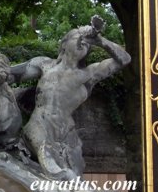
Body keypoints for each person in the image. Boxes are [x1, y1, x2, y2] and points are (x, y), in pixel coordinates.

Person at [10, 16, 131, 180]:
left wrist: (100, 40)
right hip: (39, 126)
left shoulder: (89, 74)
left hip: (67, 135)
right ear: (64, 44)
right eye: (77, 37)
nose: (83, 42)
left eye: (87, 42)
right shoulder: (44, 64)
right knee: (57, 171)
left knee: (74, 179)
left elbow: (125, 59)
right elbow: (8, 75)